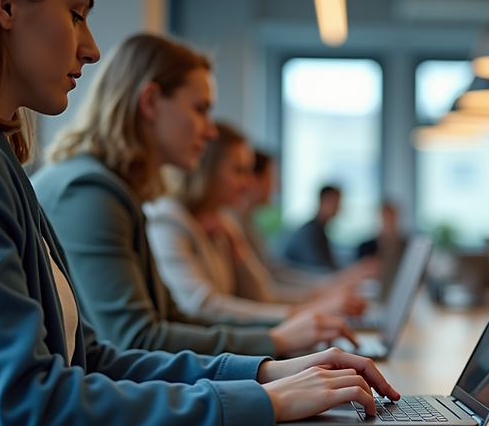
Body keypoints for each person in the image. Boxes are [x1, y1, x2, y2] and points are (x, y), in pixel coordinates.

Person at [0, 0, 398, 426]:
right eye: (76, 13)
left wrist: (264, 374)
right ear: (6, 5)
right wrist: (257, 398)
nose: (91, 48)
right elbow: (24, 416)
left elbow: (90, 360)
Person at [32, 34, 360, 358]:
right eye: (200, 109)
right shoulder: (91, 192)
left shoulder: (118, 191)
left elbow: (171, 319)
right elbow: (135, 340)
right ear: (150, 102)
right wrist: (275, 342)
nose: (210, 130)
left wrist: (280, 336)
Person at [145, 122, 365, 324]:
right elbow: (201, 306)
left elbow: (260, 295)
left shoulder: (222, 223)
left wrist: (239, 251)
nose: (247, 183)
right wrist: (302, 315)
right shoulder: (169, 219)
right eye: (238, 171)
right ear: (208, 170)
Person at [283, 185, 342, 271]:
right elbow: (318, 269)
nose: (338, 208)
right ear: (323, 201)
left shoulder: (320, 231)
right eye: (336, 203)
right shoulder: (309, 233)